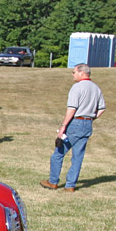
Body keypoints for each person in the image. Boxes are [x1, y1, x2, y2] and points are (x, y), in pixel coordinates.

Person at [41, 63, 106, 193]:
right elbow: (102, 108)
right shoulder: (96, 88)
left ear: (82, 73)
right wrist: (91, 118)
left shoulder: (77, 87)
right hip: (87, 124)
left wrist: (63, 127)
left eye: (74, 72)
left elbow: (72, 109)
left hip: (75, 123)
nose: (72, 74)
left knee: (58, 153)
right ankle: (70, 185)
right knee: (77, 156)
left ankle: (53, 181)